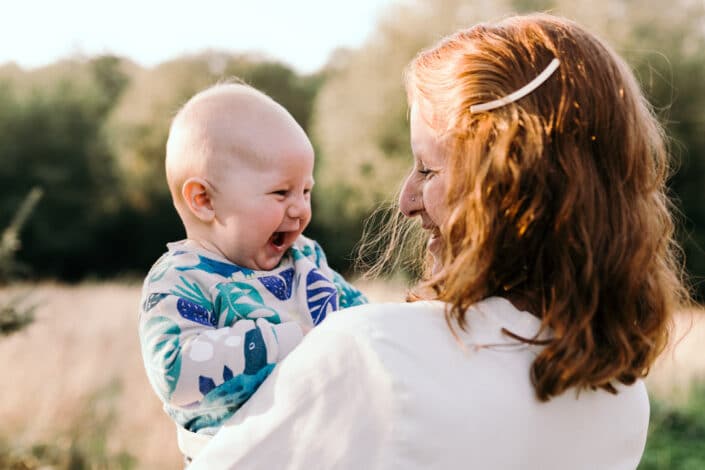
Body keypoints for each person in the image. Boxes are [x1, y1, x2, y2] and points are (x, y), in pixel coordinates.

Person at [189, 13, 689, 470]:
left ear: (508, 183)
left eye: (427, 167)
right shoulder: (620, 396)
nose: (405, 200)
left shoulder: (370, 355)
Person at [138, 82, 367, 461]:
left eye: (306, 192)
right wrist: (287, 340)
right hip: (237, 458)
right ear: (204, 200)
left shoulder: (304, 258)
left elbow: (362, 317)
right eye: (281, 193)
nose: (300, 210)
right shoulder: (182, 279)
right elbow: (174, 373)